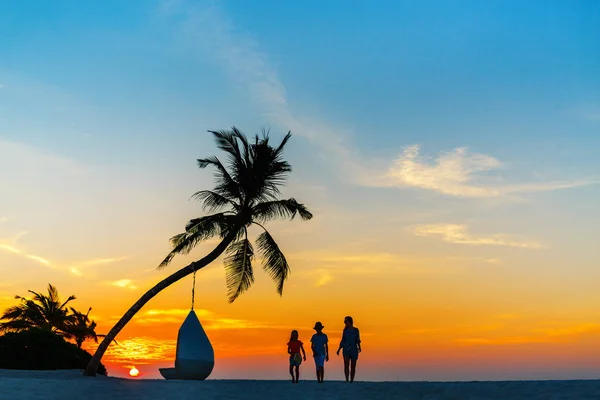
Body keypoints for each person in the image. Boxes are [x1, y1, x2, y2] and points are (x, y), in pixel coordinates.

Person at [336, 316, 361, 382]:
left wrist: (359, 347)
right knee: (346, 365)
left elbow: (357, 339)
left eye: (345, 321)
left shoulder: (356, 330)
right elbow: (343, 340)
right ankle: (347, 379)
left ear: (349, 321)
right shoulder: (345, 331)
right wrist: (339, 349)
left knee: (353, 366)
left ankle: (352, 380)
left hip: (354, 349)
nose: (345, 322)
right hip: (346, 349)